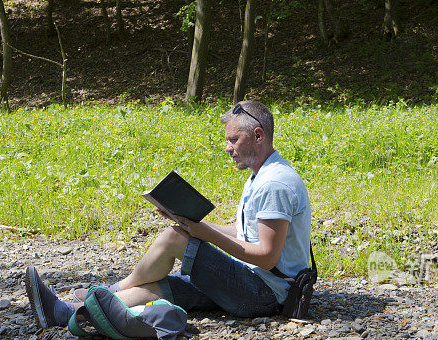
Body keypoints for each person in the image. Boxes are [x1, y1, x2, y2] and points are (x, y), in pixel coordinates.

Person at [25, 100, 311, 328]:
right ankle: (63, 313)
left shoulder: (275, 183)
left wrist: (200, 233)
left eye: (233, 140)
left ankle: (106, 290)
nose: (227, 148)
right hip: (249, 283)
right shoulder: (260, 176)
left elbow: (266, 256)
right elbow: (241, 233)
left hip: (264, 295)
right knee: (161, 287)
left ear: (258, 135)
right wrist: (191, 222)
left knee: (174, 238)